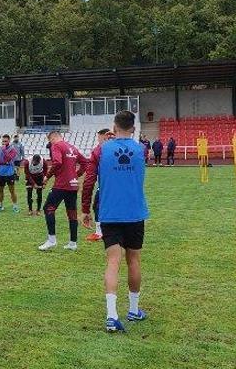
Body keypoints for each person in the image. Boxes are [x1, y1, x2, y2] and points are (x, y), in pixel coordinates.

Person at [81, 110, 150, 333]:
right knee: (134, 261)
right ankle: (133, 309)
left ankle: (111, 315)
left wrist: (85, 209)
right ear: (133, 128)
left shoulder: (101, 150)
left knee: (113, 261)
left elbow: (90, 179)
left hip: (109, 213)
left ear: (113, 125)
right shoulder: (142, 150)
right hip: (134, 213)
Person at [38, 131, 88, 251]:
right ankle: (73, 243)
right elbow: (85, 162)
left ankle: (51, 240)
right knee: (72, 213)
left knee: (48, 208)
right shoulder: (72, 148)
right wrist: (76, 174)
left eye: (50, 141)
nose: (50, 143)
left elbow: (57, 162)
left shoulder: (57, 146)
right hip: (73, 184)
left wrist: (47, 176)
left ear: (53, 138)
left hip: (62, 184)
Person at [85, 129, 114, 242]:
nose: (98, 140)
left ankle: (100, 232)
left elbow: (90, 177)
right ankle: (102, 231)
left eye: (99, 138)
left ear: (104, 137)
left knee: (98, 206)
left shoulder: (100, 150)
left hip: (106, 185)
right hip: (113, 185)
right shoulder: (118, 146)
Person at [0, 134, 20, 212]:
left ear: (9, 141)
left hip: (9, 173)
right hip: (0, 173)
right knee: (0, 190)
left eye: (5, 141)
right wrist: (3, 162)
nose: (4, 142)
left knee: (12, 190)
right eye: (3, 141)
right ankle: (0, 205)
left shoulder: (13, 149)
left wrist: (4, 150)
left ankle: (15, 206)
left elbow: (8, 158)